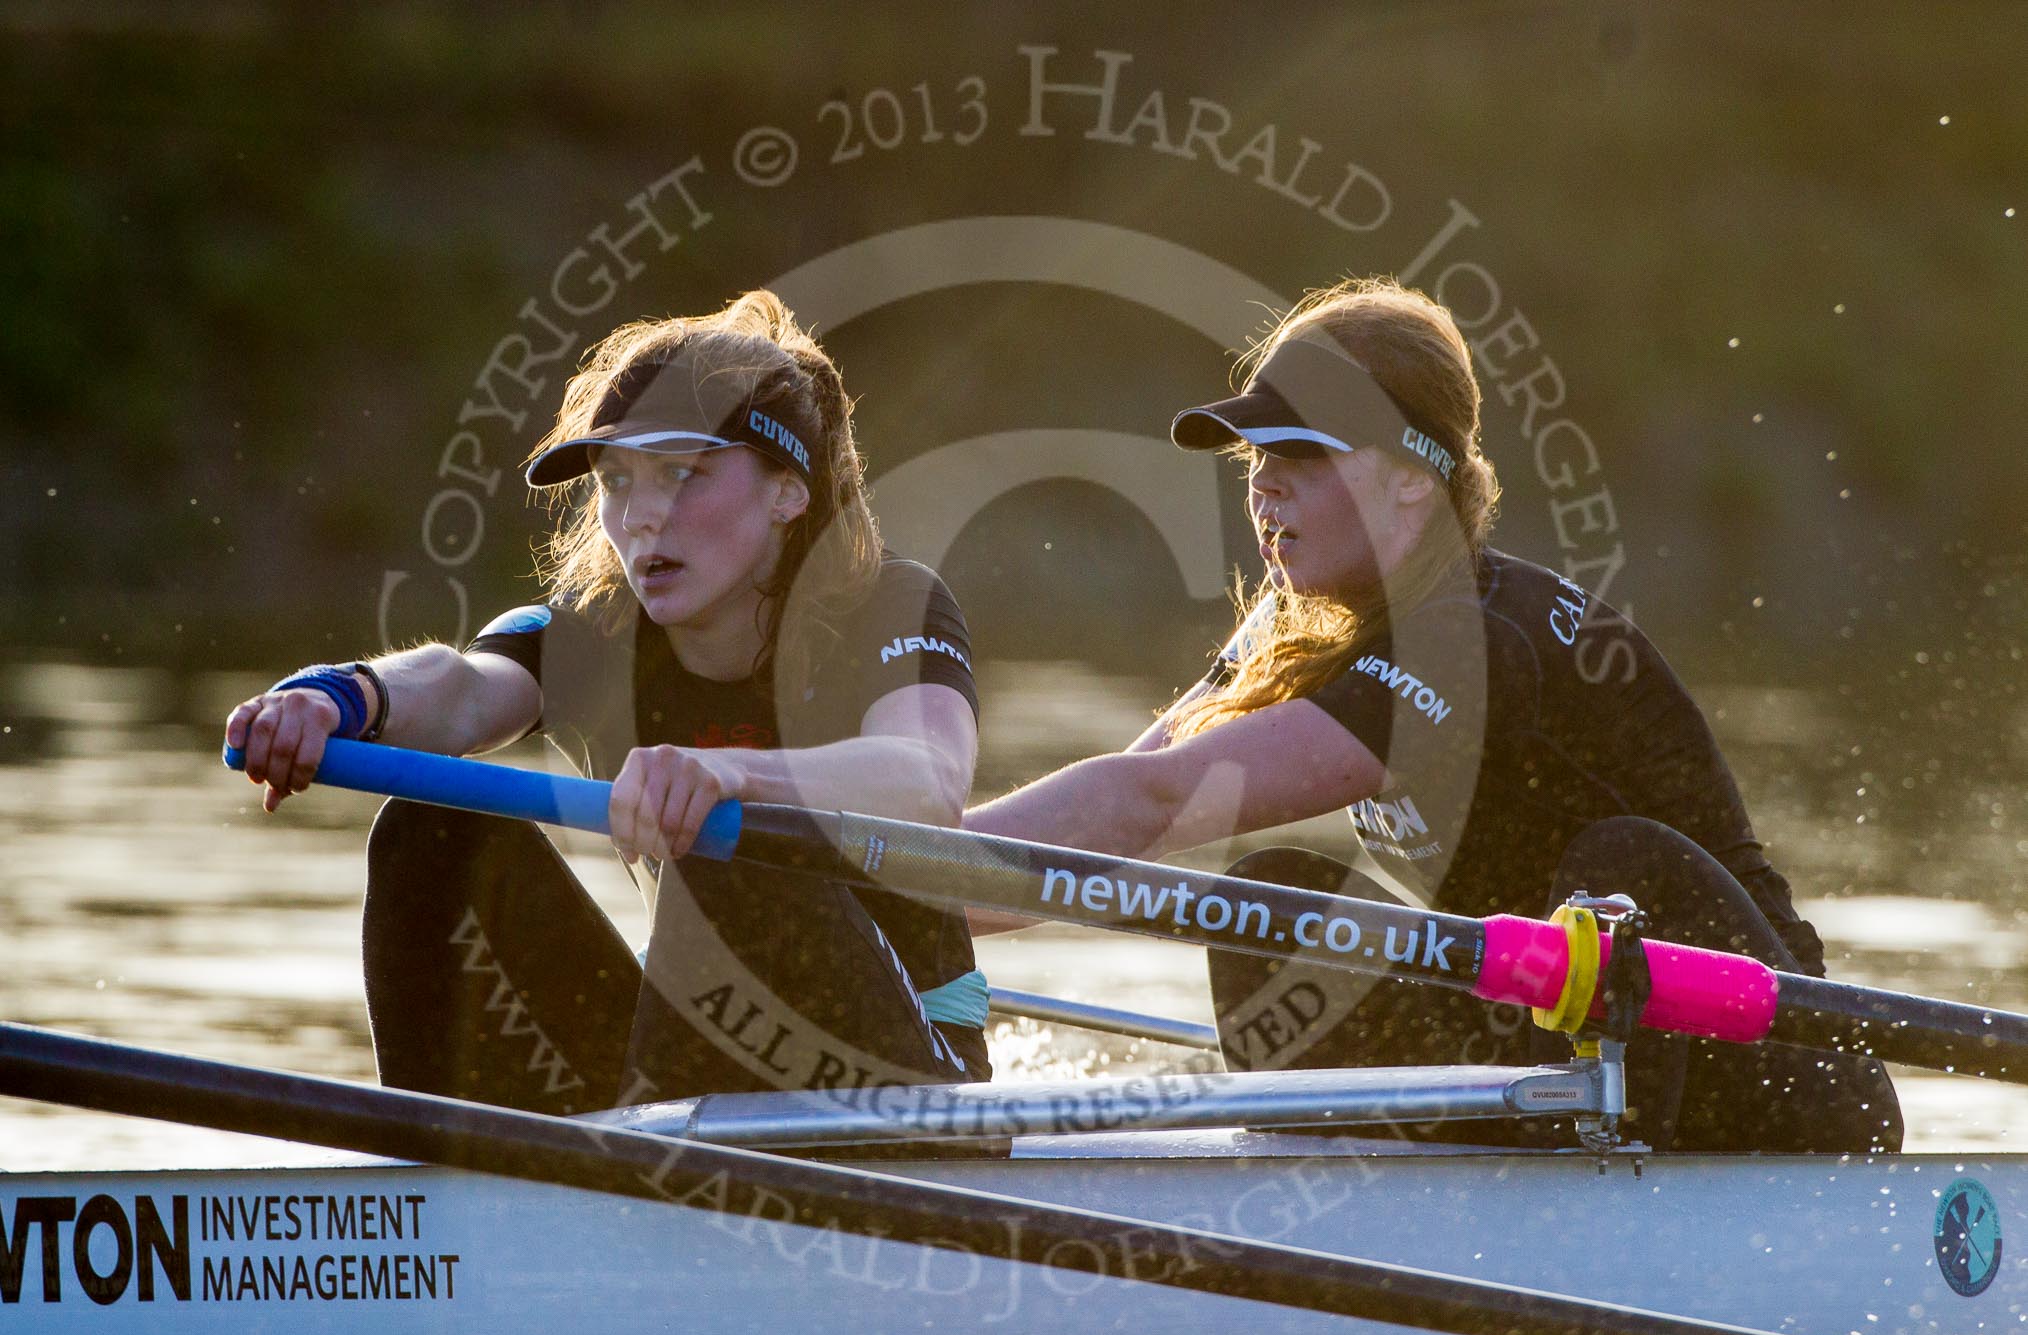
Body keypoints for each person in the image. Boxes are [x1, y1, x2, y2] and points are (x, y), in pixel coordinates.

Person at [966, 277, 1902, 1153]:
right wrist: (912, 889)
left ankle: (1573, 1198)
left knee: (1617, 869)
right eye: (1257, 456)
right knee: (1270, 905)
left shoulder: (1472, 642)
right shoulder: (1302, 624)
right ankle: (1349, 1210)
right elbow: (1108, 829)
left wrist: (887, 867)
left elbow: (1157, 800)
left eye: (1299, 454)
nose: (1262, 484)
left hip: (1785, 1089)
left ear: (1414, 475)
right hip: (1553, 1041)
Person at [227, 290, 990, 1116]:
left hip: (905, 1073)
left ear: (787, 492)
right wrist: (339, 696)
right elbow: (463, 691)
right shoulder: (595, 628)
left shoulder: (892, 603)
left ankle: (650, 1201)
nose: (643, 516)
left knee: (733, 843)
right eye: (618, 480)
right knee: (427, 827)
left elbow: (928, 777)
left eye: (683, 475)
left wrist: (729, 773)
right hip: (702, 1068)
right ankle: (449, 1199)